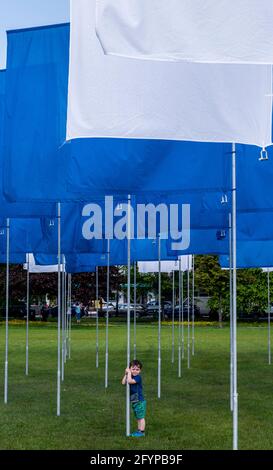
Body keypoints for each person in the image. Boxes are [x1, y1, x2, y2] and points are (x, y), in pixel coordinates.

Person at [121, 359, 146, 437]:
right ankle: (139, 431)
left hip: (139, 401)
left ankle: (142, 432)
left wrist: (129, 373)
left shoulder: (138, 377)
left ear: (140, 371)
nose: (135, 371)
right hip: (135, 400)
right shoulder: (129, 375)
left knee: (141, 417)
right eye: (133, 369)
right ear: (130, 369)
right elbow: (123, 382)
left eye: (137, 369)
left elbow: (130, 381)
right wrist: (126, 374)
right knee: (138, 417)